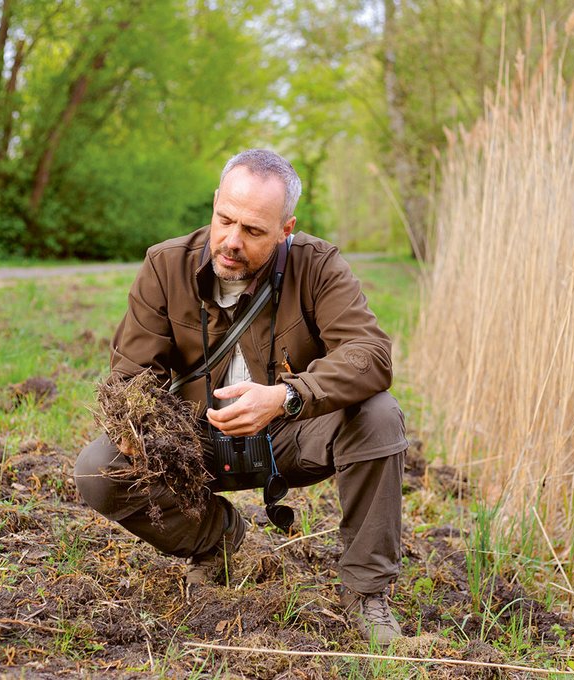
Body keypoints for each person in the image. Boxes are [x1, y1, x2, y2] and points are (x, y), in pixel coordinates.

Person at [74, 148, 408, 644]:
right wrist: (140, 435)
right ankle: (218, 541)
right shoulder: (164, 267)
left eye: (253, 231)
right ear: (214, 204)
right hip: (196, 446)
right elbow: (129, 379)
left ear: (286, 229)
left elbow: (372, 354)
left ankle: (366, 593)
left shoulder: (319, 266)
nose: (231, 242)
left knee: (379, 414)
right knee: (97, 468)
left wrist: (287, 397)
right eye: (224, 219)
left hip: (290, 434)